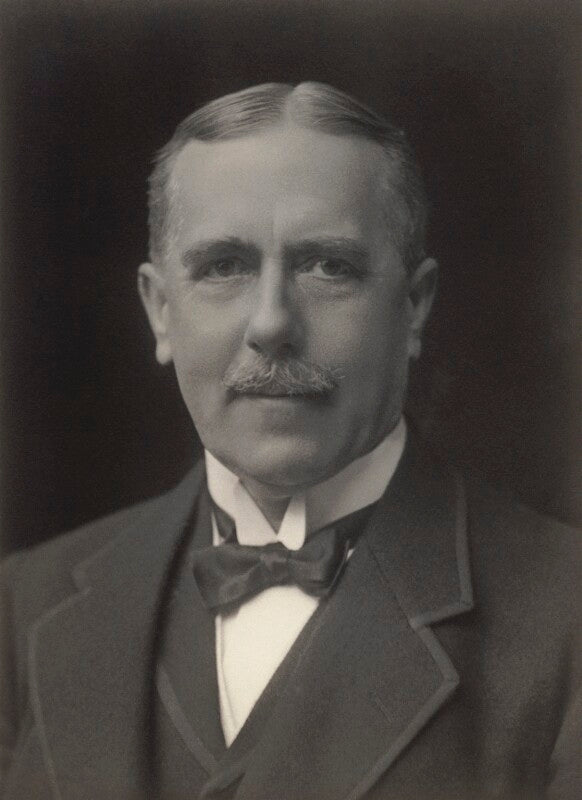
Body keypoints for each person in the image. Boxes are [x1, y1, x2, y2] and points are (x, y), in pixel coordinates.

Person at [1, 82, 580, 800]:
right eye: (224, 266)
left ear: (413, 306)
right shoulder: (25, 605)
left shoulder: (565, 616)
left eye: (328, 266)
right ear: (160, 310)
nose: (272, 323)